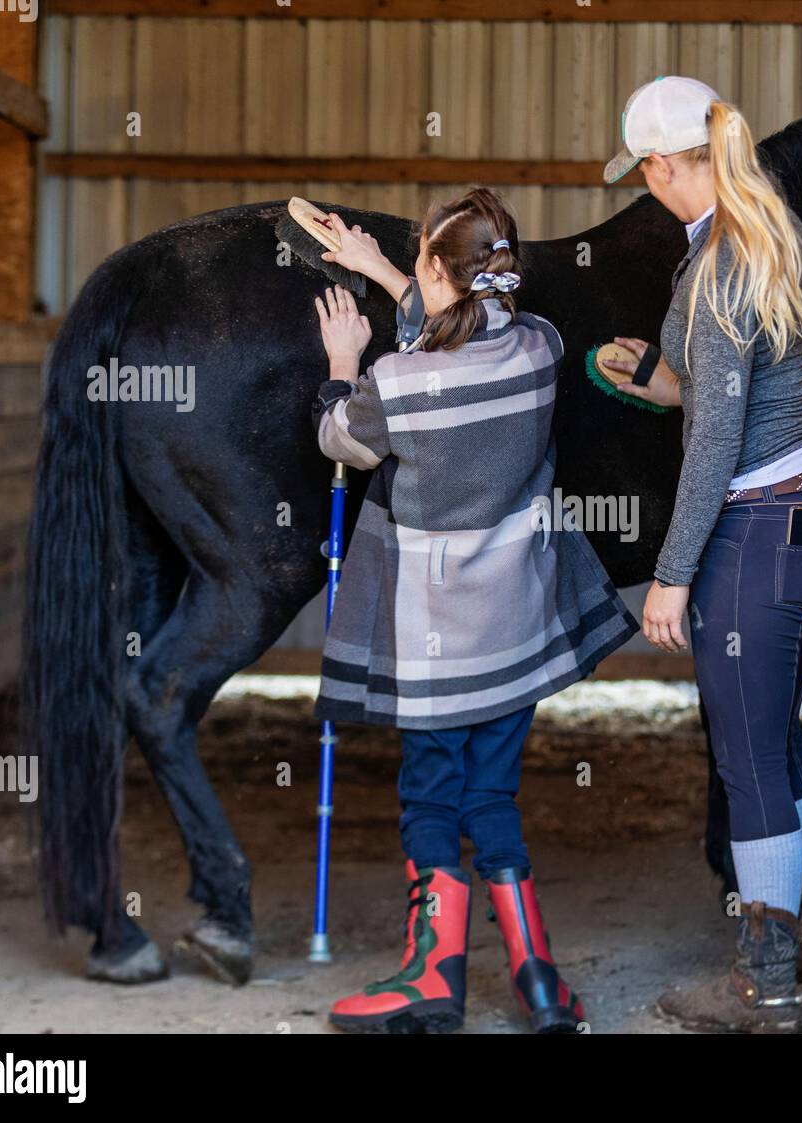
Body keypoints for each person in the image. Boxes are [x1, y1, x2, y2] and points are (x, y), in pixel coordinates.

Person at [310, 187, 637, 1034]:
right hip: (516, 630)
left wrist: (342, 362)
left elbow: (343, 436)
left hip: (434, 638)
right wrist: (387, 270)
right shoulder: (538, 349)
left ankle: (432, 978)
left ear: (433, 268)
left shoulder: (397, 380)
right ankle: (538, 982)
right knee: (492, 796)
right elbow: (460, 321)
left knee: (430, 797)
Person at [601, 77, 802, 1031]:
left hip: (758, 532)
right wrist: (664, 377)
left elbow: (718, 441)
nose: (645, 184)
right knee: (777, 735)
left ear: (663, 166)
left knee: (748, 754)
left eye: (644, 171)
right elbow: (740, 389)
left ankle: (765, 977)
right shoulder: (769, 231)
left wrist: (671, 576)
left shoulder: (716, 264)